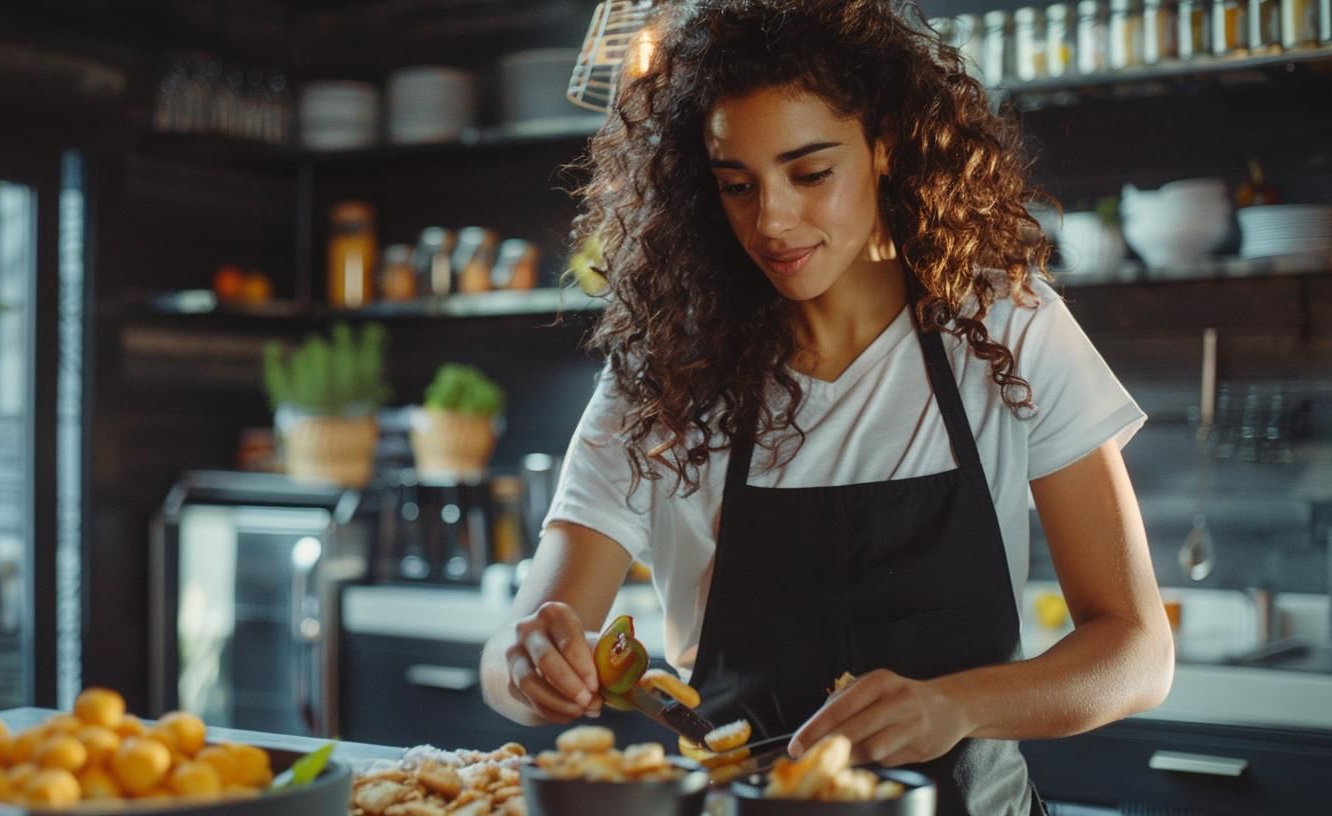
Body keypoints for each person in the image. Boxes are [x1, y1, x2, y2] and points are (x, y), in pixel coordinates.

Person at [480, 1, 1174, 812]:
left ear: (883, 145)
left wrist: (957, 704)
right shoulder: (666, 375)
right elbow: (512, 656)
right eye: (737, 185)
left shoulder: (1004, 327)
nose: (772, 220)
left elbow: (1136, 649)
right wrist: (533, 665)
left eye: (810, 173)